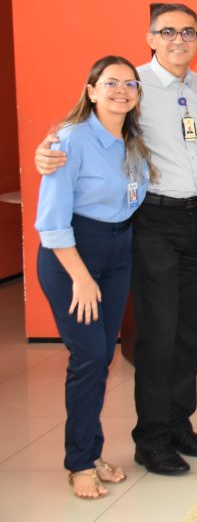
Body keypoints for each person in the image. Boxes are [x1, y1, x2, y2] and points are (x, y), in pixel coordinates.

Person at [36, 3, 197, 475]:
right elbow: (85, 130)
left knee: (189, 331)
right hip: (152, 218)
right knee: (158, 333)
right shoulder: (132, 84)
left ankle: (178, 424)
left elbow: (193, 143)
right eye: (168, 31)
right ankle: (152, 439)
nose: (179, 40)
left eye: (189, 32)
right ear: (151, 38)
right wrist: (46, 151)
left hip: (195, 218)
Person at [35, 56, 152, 498]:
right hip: (73, 255)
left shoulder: (133, 140)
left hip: (117, 253)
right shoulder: (70, 139)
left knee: (101, 357)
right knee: (88, 358)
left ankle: (91, 449)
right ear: (91, 91)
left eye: (130, 84)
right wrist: (81, 278)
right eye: (111, 83)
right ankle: (80, 462)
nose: (121, 91)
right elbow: (52, 223)